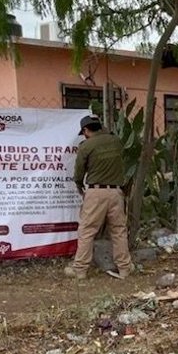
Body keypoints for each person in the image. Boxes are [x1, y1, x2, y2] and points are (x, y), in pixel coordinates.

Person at [65, 114, 133, 279]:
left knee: (87, 231)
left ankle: (80, 269)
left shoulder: (86, 146)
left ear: (86, 130)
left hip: (96, 192)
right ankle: (125, 268)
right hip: (116, 192)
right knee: (118, 231)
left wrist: (79, 185)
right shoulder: (116, 141)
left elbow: (79, 172)